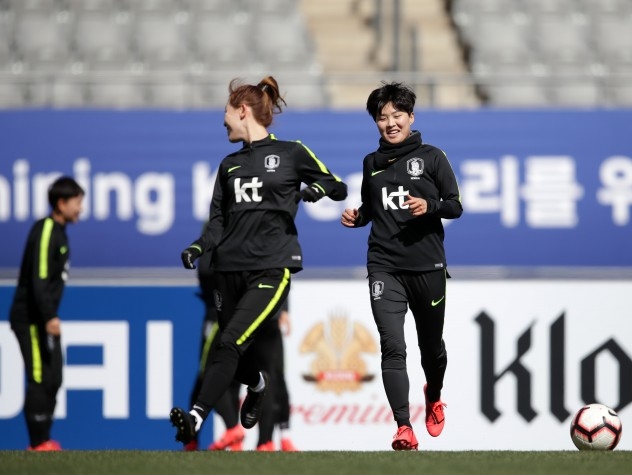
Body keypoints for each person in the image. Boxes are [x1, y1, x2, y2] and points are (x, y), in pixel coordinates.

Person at [170, 75, 348, 445]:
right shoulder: (228, 166)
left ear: (242, 110)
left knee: (230, 341)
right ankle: (256, 383)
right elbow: (217, 222)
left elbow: (338, 185)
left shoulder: (291, 152)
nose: (223, 121)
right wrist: (198, 247)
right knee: (231, 345)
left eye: (226, 113)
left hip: (272, 266)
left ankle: (196, 419)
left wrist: (316, 189)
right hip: (227, 270)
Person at [340, 82, 463, 450]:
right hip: (384, 267)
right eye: (382, 117)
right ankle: (403, 427)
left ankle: (434, 394)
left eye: (397, 115)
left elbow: (455, 205)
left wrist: (431, 207)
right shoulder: (371, 163)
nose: (390, 123)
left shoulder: (432, 157)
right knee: (393, 346)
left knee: (431, 348)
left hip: (427, 267)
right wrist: (357, 216)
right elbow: (372, 209)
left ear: (411, 117)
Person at [9, 176, 85, 451]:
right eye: (77, 202)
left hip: (44, 317)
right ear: (61, 203)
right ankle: (37, 443)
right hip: (31, 318)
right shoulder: (46, 230)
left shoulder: (61, 231)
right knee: (40, 376)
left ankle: (44, 440)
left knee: (54, 377)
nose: (80, 208)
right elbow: (39, 278)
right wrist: (49, 316)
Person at [183, 248, 245, 451]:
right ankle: (193, 438)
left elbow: (207, 271)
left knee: (209, 374)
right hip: (240, 310)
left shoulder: (219, 224)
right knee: (228, 376)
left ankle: (232, 429)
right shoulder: (240, 226)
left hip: (219, 312)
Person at [255, 305, 298, 452]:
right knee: (265, 380)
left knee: (276, 378)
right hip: (255, 322)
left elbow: (282, 281)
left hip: (270, 322)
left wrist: (284, 309)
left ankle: (280, 437)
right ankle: (265, 441)